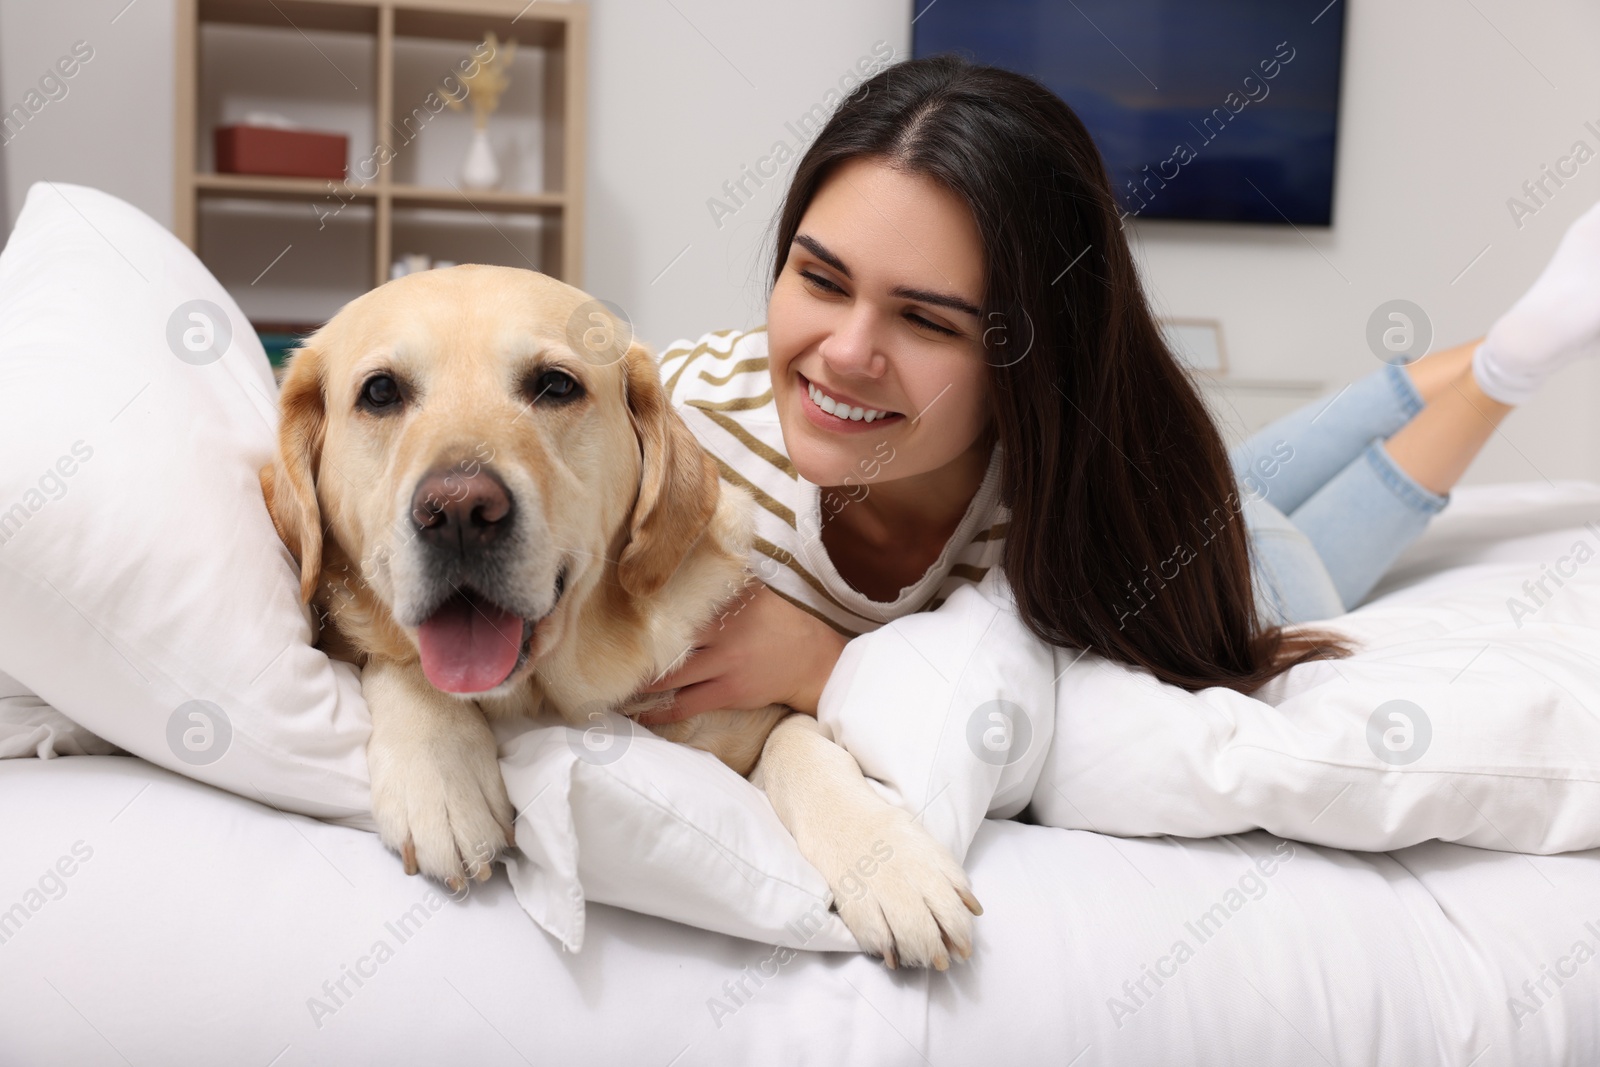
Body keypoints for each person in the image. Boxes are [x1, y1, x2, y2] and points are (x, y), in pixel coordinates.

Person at [636, 53, 1600, 727]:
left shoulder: (1101, 519)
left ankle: (1513, 360)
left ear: (1029, 356)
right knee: (1239, 468)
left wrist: (823, 666)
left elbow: (1088, 735)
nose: (844, 354)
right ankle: (1498, 343)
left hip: (1204, 534)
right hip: (1177, 476)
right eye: (820, 278)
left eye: (926, 320)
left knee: (1298, 556)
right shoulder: (672, 430)